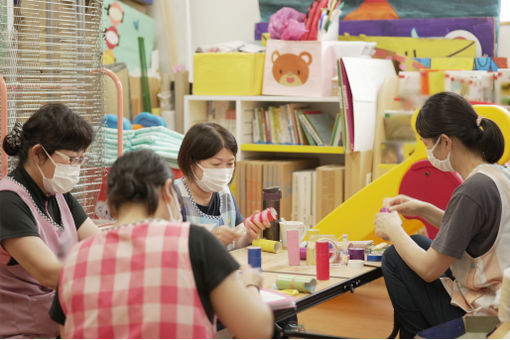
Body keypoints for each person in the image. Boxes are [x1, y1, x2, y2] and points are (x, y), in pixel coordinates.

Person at [49, 149, 274, 338]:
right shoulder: (194, 242)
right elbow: (257, 330)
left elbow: (67, 330)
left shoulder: (75, 259)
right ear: (168, 191)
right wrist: (249, 283)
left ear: (112, 205)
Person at [374, 92, 510, 338]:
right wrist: (423, 210)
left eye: (428, 146)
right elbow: (474, 231)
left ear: (446, 142)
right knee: (415, 243)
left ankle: (419, 335)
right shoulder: (497, 174)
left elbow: (429, 270)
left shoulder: (471, 191)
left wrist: (393, 228)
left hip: (486, 317)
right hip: (498, 297)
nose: (429, 154)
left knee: (395, 258)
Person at [0, 103, 99, 338]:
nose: (76, 168)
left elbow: (101, 244)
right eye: (71, 159)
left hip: (58, 323)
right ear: (37, 153)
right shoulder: (7, 202)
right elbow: (49, 273)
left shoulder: (59, 195)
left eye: (81, 160)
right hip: (20, 331)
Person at [175, 122, 270, 249]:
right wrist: (206, 241)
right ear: (192, 163)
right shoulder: (174, 196)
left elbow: (234, 243)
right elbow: (169, 251)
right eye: (216, 164)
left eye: (230, 163)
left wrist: (248, 235)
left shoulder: (225, 193)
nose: (224, 171)